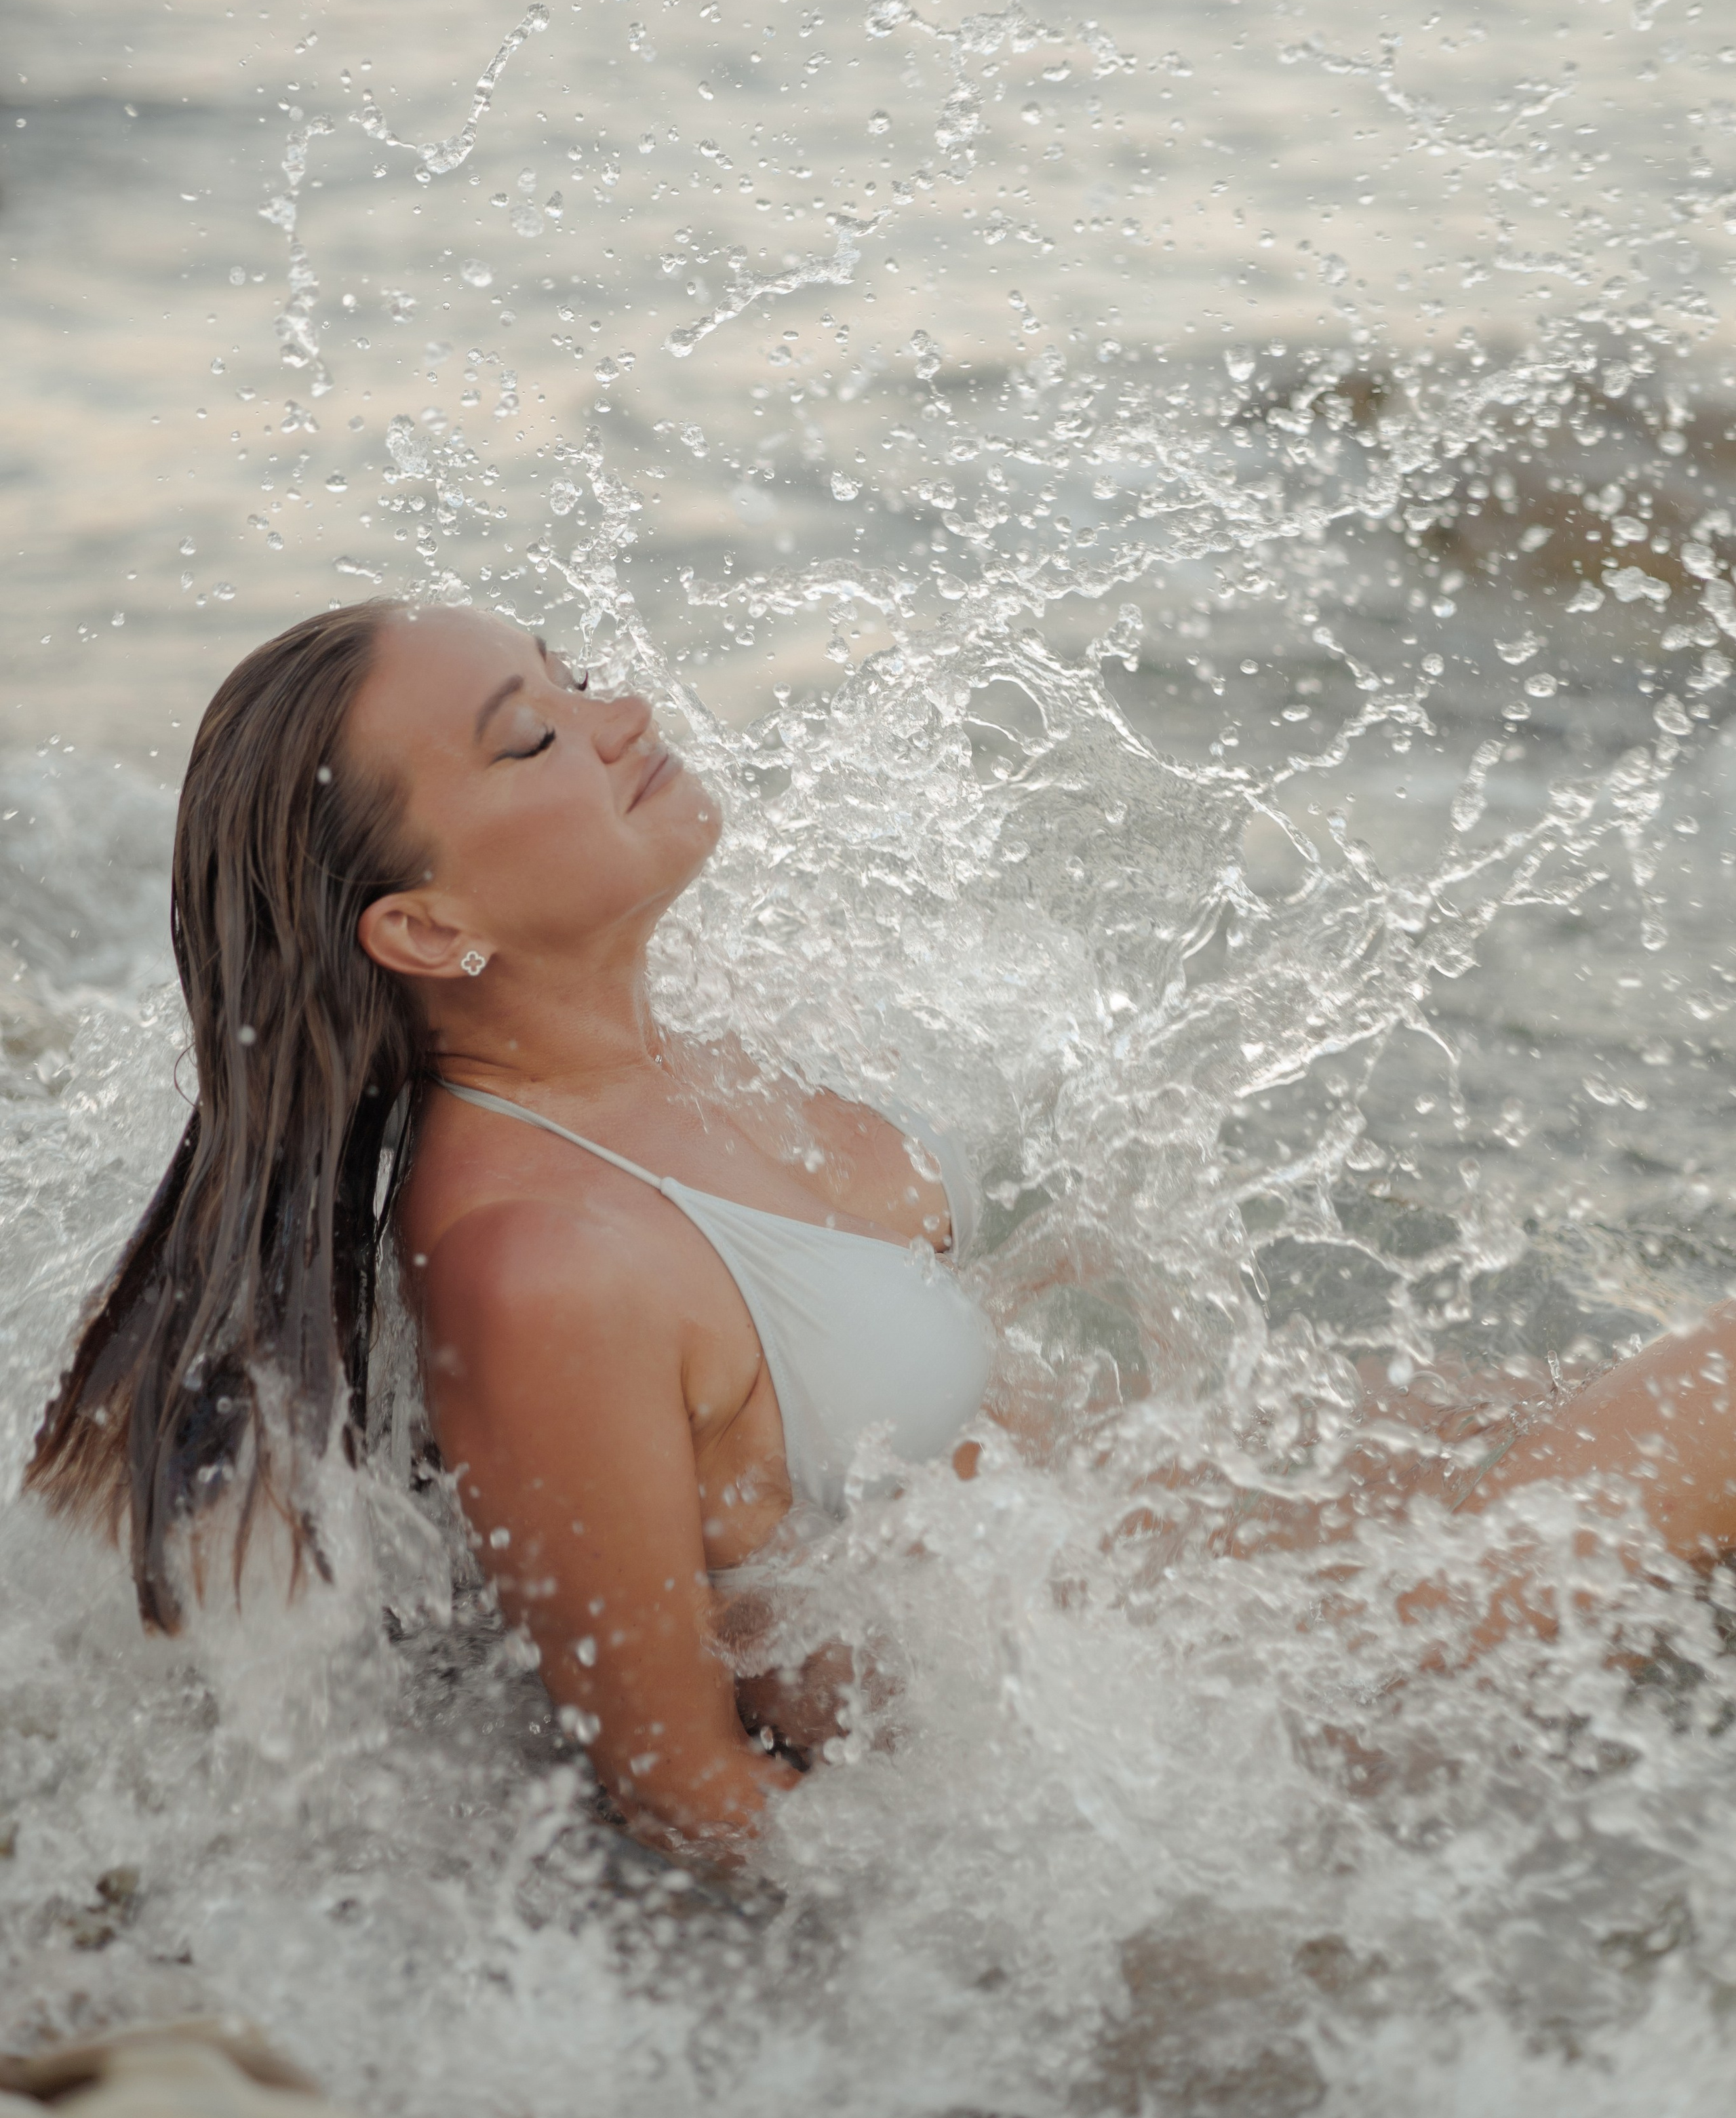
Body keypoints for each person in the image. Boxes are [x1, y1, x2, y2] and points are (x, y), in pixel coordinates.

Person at [24, 602, 1736, 1860]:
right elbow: (684, 1792)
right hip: (1212, 1734)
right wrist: (1035, 1979)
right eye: (531, 734)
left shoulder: (686, 1060)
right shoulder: (532, 1265)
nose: (617, 709)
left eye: (566, 667)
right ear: (426, 924)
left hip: (1213, 1575)